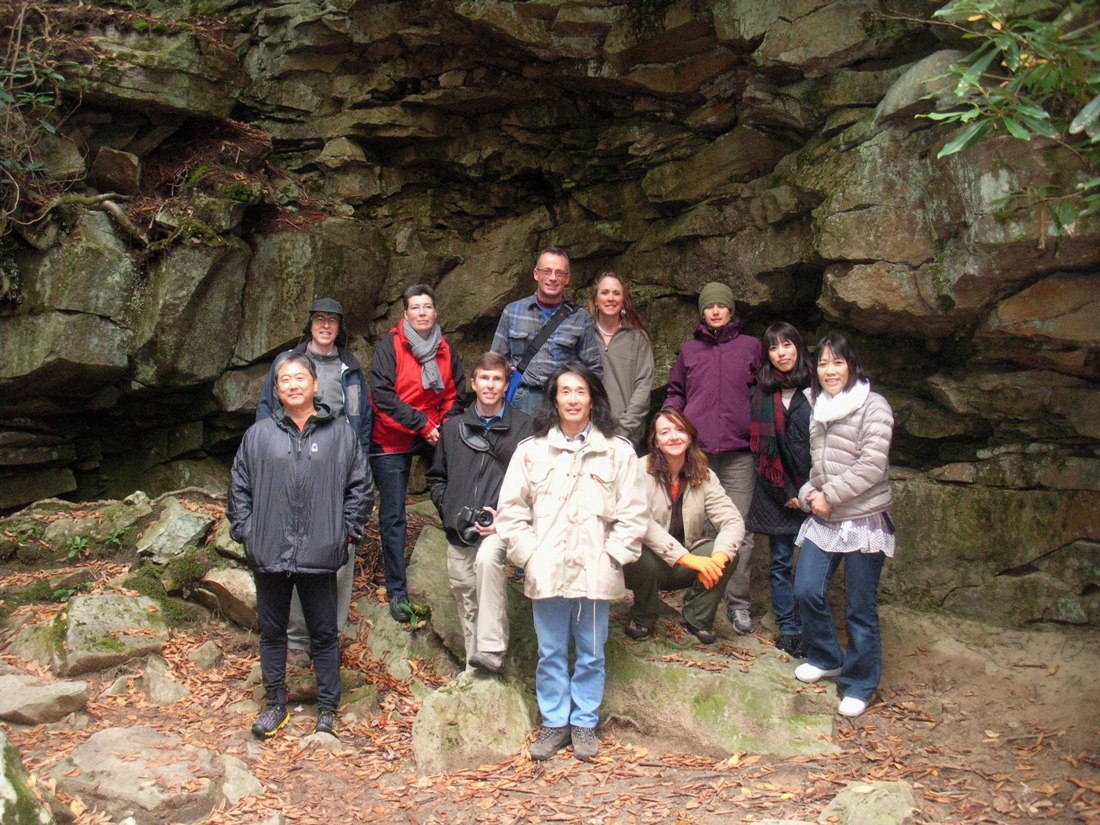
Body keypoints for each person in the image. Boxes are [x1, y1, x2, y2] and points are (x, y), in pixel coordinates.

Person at [495, 366, 647, 761]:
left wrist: (613, 556)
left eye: (580, 391)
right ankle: (554, 723)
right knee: (550, 651)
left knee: (593, 651)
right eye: (566, 392)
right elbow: (510, 512)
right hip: (546, 568)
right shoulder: (531, 450)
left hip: (596, 569)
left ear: (592, 398)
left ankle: (583, 722)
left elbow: (634, 513)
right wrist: (529, 555)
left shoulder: (618, 451)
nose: (574, 399)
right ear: (555, 399)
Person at [229, 352, 371, 739]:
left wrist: (346, 531)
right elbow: (239, 485)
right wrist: (246, 531)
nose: (292, 385)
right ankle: (275, 703)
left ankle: (328, 708)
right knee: (273, 632)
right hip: (270, 550)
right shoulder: (259, 435)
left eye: (299, 378)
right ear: (276, 389)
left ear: (315, 385)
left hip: (321, 551)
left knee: (324, 633)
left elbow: (361, 486)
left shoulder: (340, 433)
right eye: (284, 380)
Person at [255, 297, 373, 665]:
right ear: (310, 324)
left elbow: (362, 421)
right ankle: (295, 643)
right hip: (289, 466)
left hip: (336, 468)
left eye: (332, 321)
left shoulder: (350, 367)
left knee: (339, 551)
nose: (326, 326)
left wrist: (358, 468)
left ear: (340, 327)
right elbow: (264, 412)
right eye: (320, 320)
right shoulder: (288, 363)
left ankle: (329, 638)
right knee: (289, 551)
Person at [793, 332, 895, 718]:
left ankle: (860, 683)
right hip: (827, 516)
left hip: (864, 518)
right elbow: (819, 467)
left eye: (837, 362)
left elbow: (871, 465)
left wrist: (829, 495)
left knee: (860, 607)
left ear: (851, 364)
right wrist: (808, 492)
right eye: (822, 363)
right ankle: (825, 655)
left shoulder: (874, 406)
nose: (829, 370)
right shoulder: (818, 407)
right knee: (805, 590)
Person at [664, 281, 762, 635]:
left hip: (738, 452)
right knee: (702, 529)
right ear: (702, 312)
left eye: (721, 306)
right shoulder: (691, 351)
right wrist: (669, 421)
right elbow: (676, 391)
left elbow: (764, 391)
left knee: (739, 530)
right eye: (709, 306)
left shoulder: (751, 347)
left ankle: (738, 606)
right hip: (699, 452)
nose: (716, 311)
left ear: (731, 310)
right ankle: (702, 599)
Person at [427, 351, 533, 671]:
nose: (490, 385)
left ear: (506, 385)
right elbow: (437, 477)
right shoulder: (452, 429)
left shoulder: (524, 429)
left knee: (488, 567)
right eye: (484, 379)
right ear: (473, 384)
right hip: (460, 529)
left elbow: (534, 484)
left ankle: (491, 651)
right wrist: (449, 508)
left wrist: (506, 518)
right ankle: (477, 663)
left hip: (500, 529)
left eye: (497, 379)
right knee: (465, 595)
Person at [370, 284, 465, 623]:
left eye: (427, 307)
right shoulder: (390, 347)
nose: (422, 312)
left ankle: (463, 562)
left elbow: (455, 393)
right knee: (393, 512)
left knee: (456, 489)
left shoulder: (444, 348)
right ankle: (397, 590)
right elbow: (381, 396)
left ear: (435, 312)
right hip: (392, 434)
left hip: (434, 430)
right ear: (405, 314)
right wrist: (423, 424)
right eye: (416, 307)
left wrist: (446, 426)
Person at [623, 410, 745, 644]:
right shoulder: (638, 469)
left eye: (680, 430)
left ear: (690, 436)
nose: (673, 437)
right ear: (655, 440)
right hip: (646, 563)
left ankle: (698, 617)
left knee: (729, 552)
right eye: (665, 432)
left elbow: (732, 520)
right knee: (637, 554)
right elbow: (639, 521)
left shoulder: (704, 475)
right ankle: (643, 615)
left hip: (685, 562)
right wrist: (686, 558)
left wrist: (718, 559)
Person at [746, 322, 813, 658]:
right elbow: (761, 449)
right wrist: (786, 491)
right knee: (781, 561)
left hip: (817, 492)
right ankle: (788, 627)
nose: (781, 353)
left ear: (798, 347)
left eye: (787, 345)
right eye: (774, 347)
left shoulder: (817, 389)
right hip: (777, 492)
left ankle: (811, 626)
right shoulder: (762, 391)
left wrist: (811, 491)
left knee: (812, 565)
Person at [490, 246, 602, 415]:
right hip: (521, 398)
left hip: (563, 401)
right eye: (547, 271)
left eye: (559, 273)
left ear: (567, 279)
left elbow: (594, 369)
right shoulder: (513, 312)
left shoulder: (581, 318)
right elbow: (493, 363)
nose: (552, 278)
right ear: (536, 274)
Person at [588, 272, 654, 447]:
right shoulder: (584, 334)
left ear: (623, 300)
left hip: (628, 434)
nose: (611, 298)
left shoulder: (638, 338)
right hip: (588, 431)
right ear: (595, 299)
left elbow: (643, 386)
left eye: (616, 293)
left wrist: (624, 430)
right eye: (605, 292)